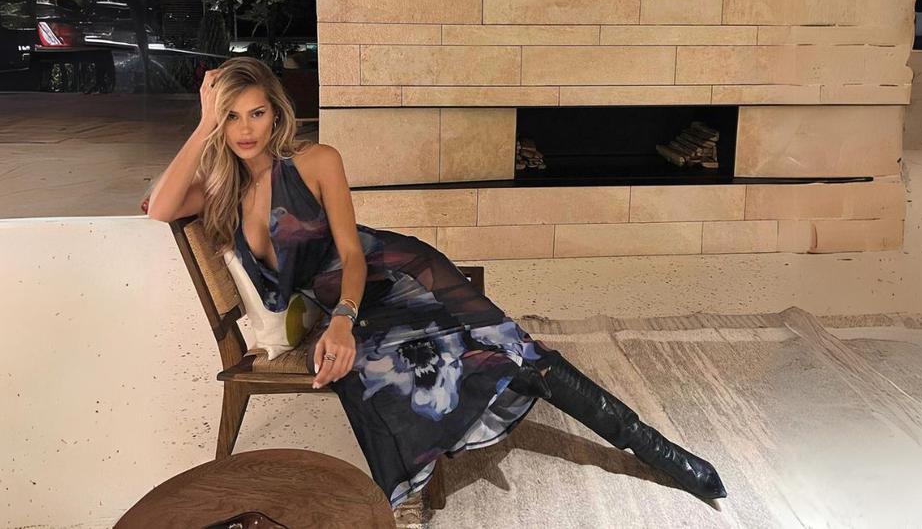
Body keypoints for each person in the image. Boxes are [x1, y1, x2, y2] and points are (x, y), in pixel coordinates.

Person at [145, 56, 728, 508]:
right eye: (231, 116)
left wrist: (343, 319)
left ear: (276, 114)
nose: (245, 129)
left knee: (516, 348)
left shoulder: (315, 161)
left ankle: (658, 450)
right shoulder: (223, 191)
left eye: (256, 113)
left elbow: (352, 254)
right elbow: (162, 207)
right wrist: (203, 124)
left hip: (397, 272)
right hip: (346, 303)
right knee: (377, 372)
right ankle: (416, 478)